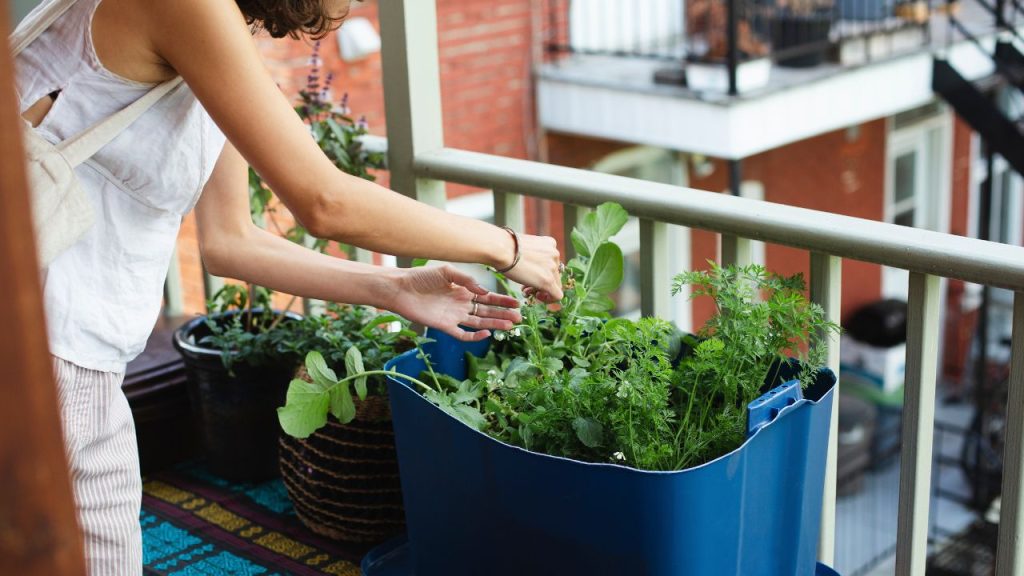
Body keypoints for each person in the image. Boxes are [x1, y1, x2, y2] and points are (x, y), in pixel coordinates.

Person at [14, 0, 564, 572]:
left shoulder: (216, 39)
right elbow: (324, 201)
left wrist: (397, 285)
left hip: (80, 361)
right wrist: (506, 247)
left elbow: (232, 241)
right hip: (37, 346)